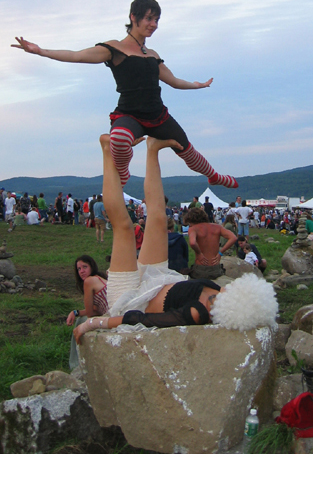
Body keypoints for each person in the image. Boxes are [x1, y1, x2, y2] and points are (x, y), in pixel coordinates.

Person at [12, 0, 239, 191]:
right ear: (133, 17)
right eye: (149, 18)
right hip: (129, 114)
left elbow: (173, 81)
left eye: (157, 20)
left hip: (157, 115)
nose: (154, 24)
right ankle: (123, 172)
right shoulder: (115, 48)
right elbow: (76, 55)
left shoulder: (152, 54)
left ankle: (213, 176)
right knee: (119, 138)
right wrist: (40, 51)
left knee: (186, 149)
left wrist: (196, 85)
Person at [72, 135, 277, 344]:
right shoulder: (222, 292)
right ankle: (153, 149)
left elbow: (142, 319)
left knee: (124, 228)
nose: (224, 293)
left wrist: (92, 323)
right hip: (159, 278)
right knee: (159, 218)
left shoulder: (199, 312)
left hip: (131, 299)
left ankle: (108, 150)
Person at [66, 254, 109, 369]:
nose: (81, 271)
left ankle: (75, 364)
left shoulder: (89, 281)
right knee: (81, 319)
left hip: (111, 317)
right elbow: (95, 310)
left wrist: (79, 314)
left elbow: (90, 314)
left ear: (91, 267)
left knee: (81, 323)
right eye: (79, 269)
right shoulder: (99, 278)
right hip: (113, 314)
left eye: (85, 267)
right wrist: (75, 312)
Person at [183, 206, 237, 280]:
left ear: (192, 220)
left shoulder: (193, 229)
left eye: (189, 222)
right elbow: (233, 238)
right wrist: (220, 253)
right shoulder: (217, 227)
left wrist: (199, 253)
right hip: (215, 268)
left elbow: (192, 243)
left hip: (200, 269)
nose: (189, 225)